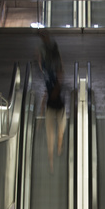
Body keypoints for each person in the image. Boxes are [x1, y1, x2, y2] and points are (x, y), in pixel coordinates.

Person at [38, 30, 66, 172]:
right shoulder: (52, 78)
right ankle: (51, 160)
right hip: (56, 108)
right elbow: (45, 96)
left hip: (58, 108)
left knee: (58, 132)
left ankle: (58, 150)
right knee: (53, 135)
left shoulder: (53, 78)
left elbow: (46, 95)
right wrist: (41, 115)